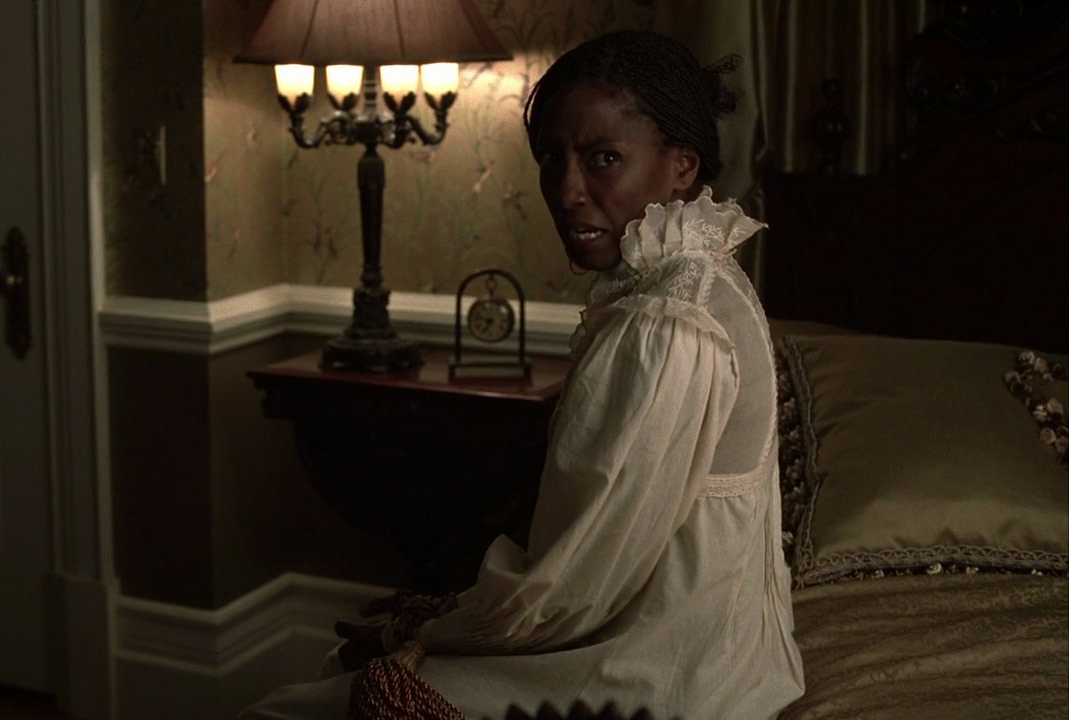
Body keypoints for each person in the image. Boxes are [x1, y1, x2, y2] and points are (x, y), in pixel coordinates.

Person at [243, 30, 805, 720]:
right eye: (551, 158)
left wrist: (420, 632)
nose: (567, 191)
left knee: (287, 709)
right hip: (711, 650)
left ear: (682, 166)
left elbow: (573, 586)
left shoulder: (666, 322)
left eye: (604, 158)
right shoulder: (700, 276)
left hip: (656, 667)